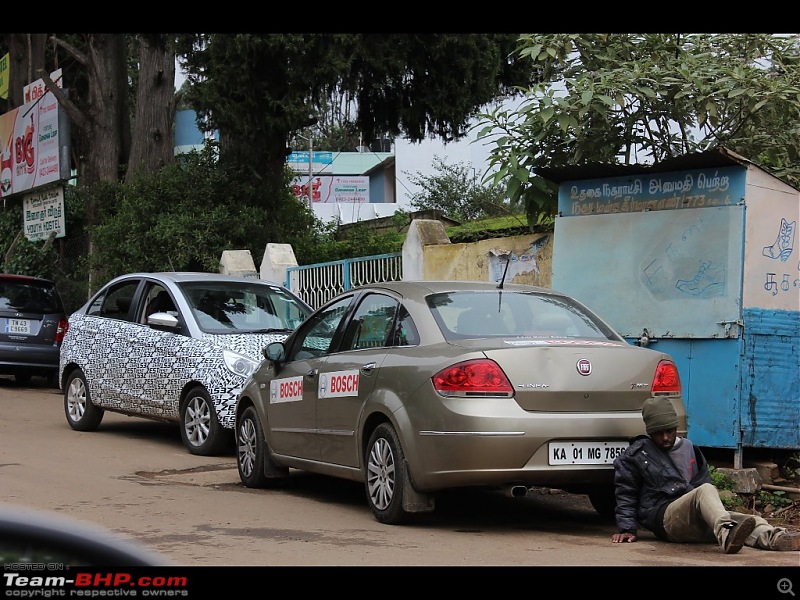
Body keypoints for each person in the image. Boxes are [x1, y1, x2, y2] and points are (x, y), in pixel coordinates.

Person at [611, 396, 800, 554]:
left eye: (669, 431)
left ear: (676, 426)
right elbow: (626, 493)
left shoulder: (689, 448)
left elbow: (702, 486)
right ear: (649, 432)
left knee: (751, 521)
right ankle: (726, 533)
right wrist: (627, 528)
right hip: (666, 519)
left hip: (695, 516)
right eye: (658, 433)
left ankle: (776, 539)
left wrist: (714, 513)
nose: (665, 437)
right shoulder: (638, 453)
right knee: (707, 491)